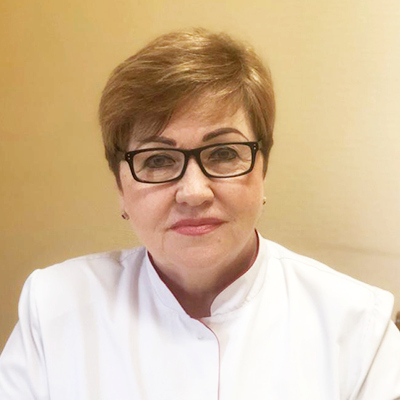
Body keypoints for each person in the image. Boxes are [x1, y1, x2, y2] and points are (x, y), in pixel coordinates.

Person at [0, 28, 399, 400]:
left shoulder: (359, 327)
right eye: (157, 159)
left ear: (263, 170)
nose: (193, 192)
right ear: (121, 189)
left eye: (223, 153)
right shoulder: (53, 307)